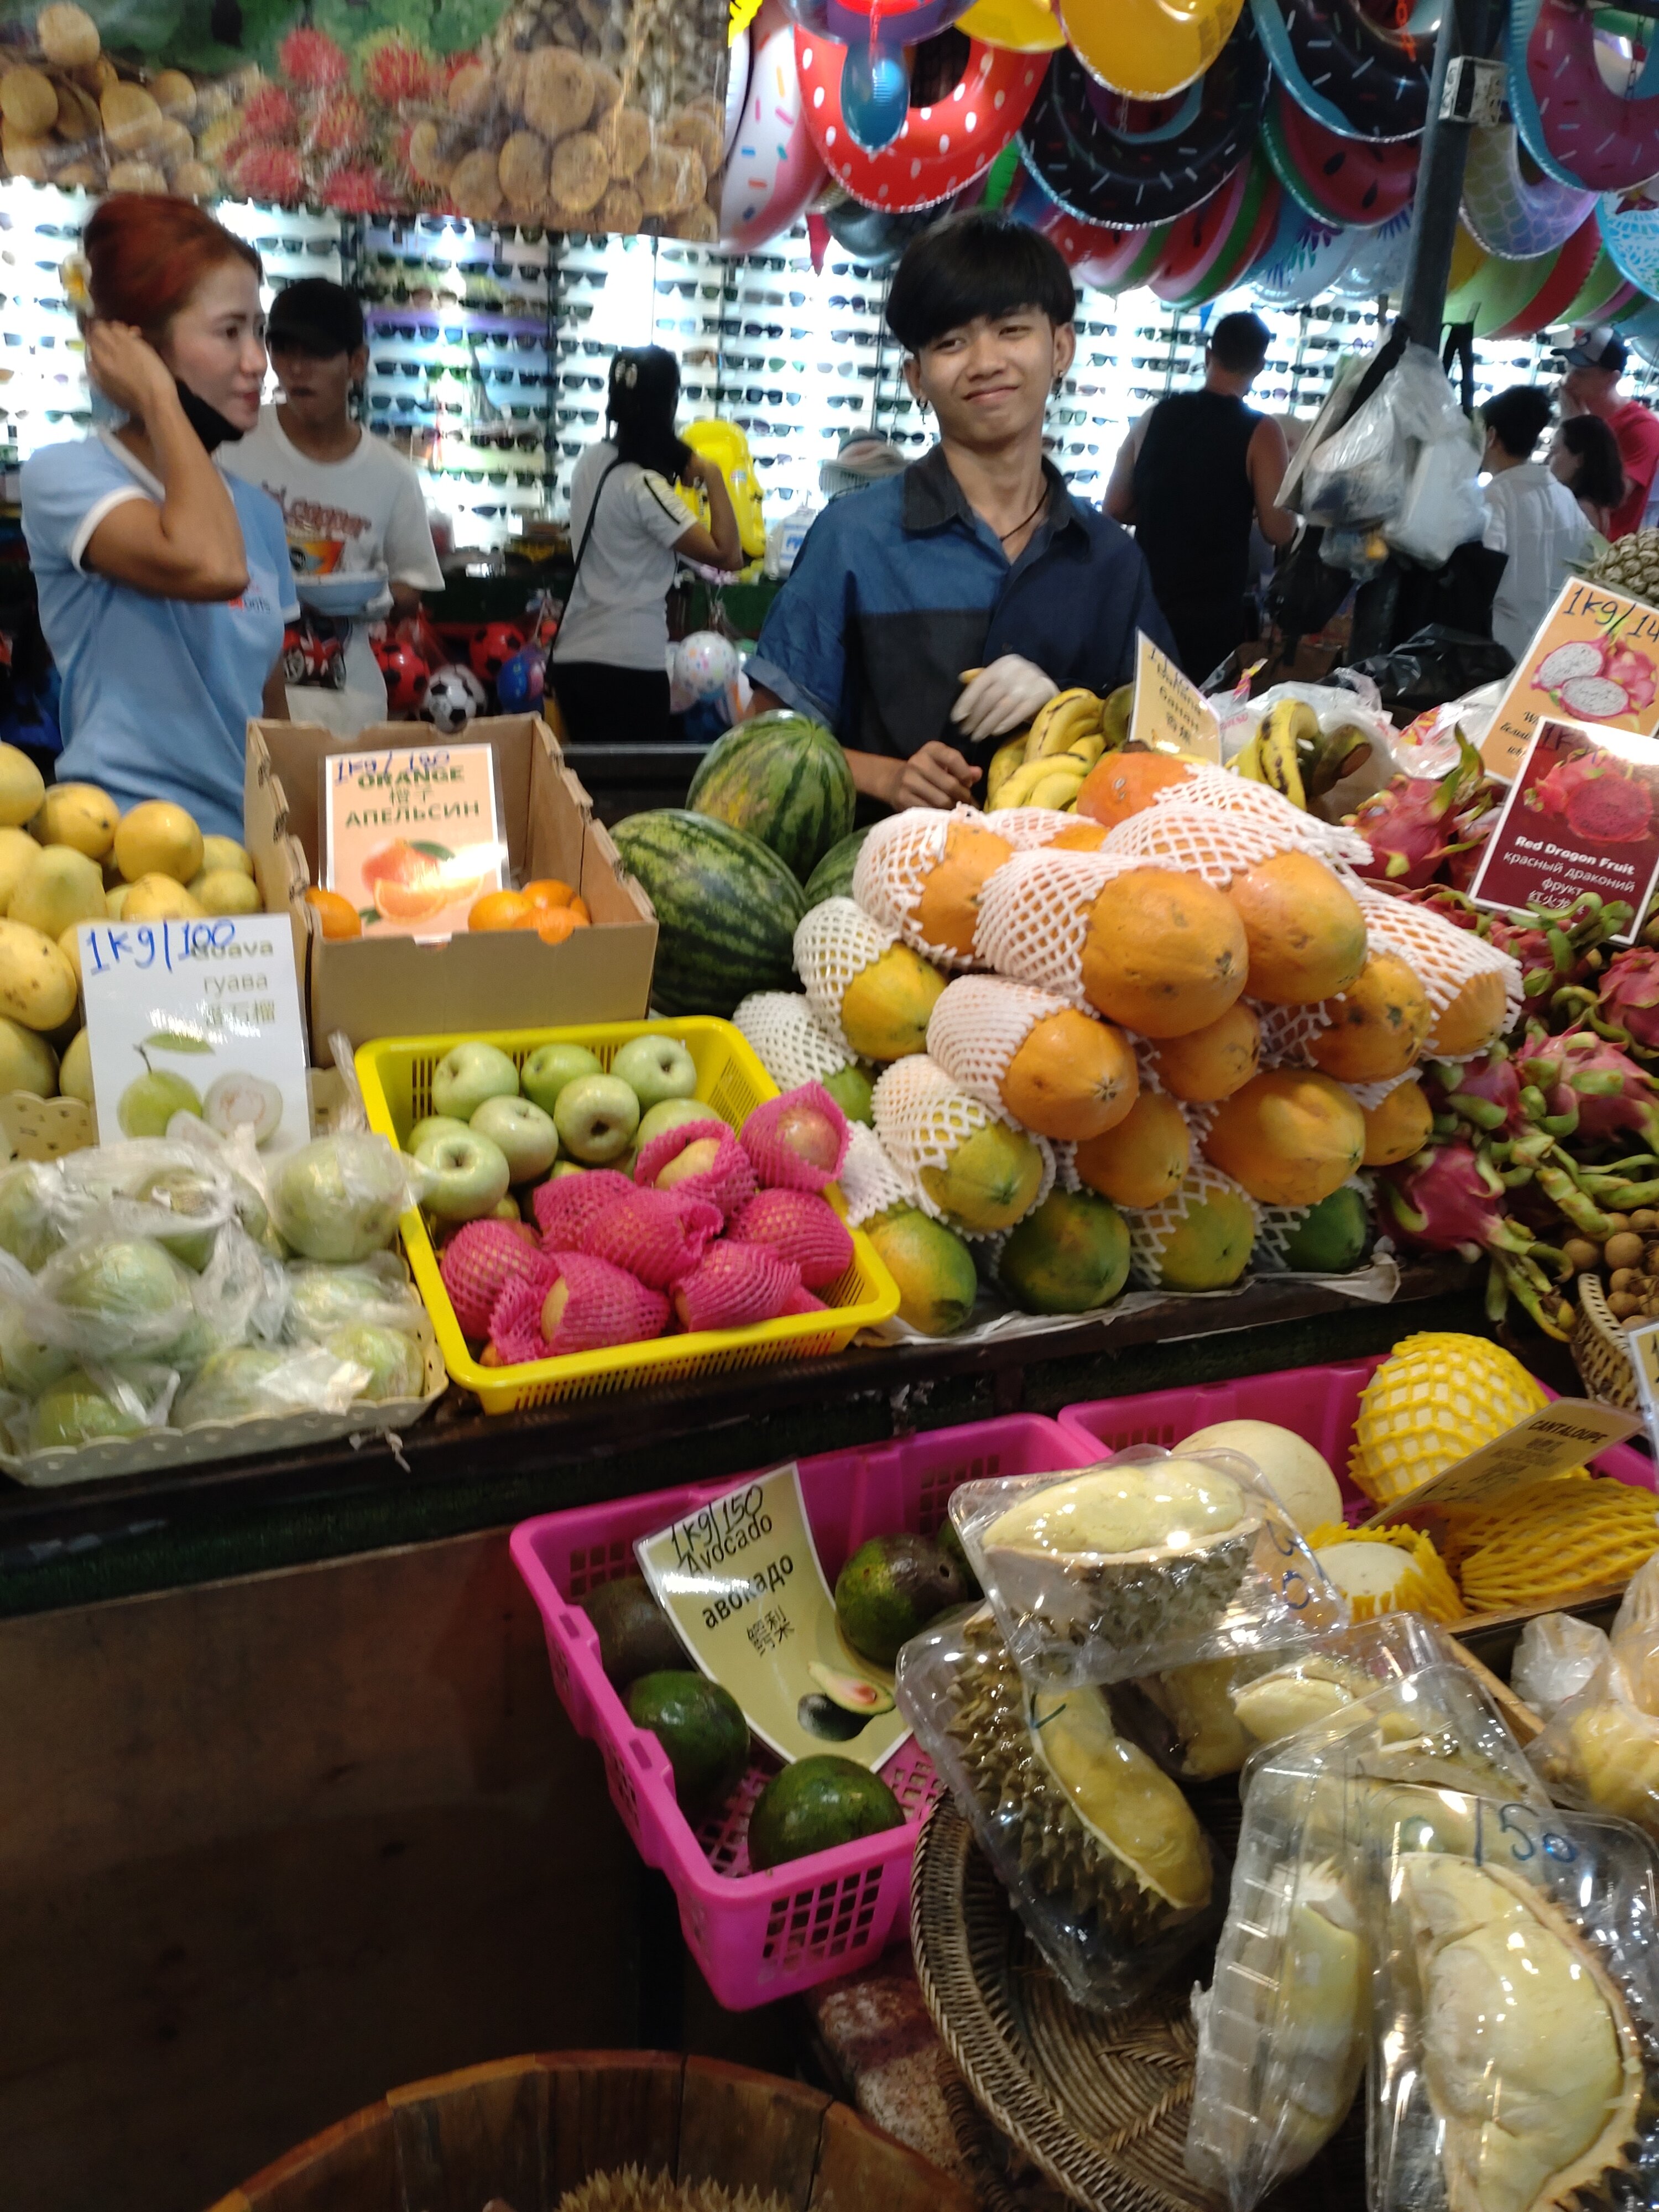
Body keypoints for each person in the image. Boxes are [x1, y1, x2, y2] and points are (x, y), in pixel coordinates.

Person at [747, 215, 1170, 813]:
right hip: (875, 891)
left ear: (1061, 348)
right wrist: (886, 777)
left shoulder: (1110, 562)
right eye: (951, 342)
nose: (985, 360)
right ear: (917, 377)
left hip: (1064, 898)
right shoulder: (855, 539)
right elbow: (760, 742)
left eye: (1011, 329)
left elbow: (1174, 755)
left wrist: (1068, 707)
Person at [21, 195, 295, 843]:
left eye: (259, 331)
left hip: (244, 856)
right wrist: (154, 392)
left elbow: (270, 708)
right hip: (120, 848)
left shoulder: (256, 513)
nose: (258, 361)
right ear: (139, 349)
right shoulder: (67, 478)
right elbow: (210, 565)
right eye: (230, 332)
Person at [220, 278, 444, 719]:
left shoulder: (390, 475)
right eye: (283, 349)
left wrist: (366, 593)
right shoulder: (231, 444)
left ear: (357, 363)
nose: (297, 369)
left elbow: (411, 584)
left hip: (350, 704)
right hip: (240, 700)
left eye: (318, 354)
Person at [549, 347, 741, 746]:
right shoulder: (644, 487)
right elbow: (728, 554)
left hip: (573, 662)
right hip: (628, 669)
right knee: (630, 803)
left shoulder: (591, 460)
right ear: (669, 406)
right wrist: (713, 474)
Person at [1105, 310, 1297, 685]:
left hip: (1144, 605)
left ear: (1209, 355)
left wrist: (1168, 508)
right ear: (1260, 366)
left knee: (1131, 717)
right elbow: (1280, 529)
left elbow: (1115, 505)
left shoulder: (1155, 416)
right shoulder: (1263, 431)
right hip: (1210, 619)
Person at [1479, 385, 1592, 663]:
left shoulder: (1495, 497)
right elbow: (1590, 559)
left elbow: (1480, 578)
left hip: (1499, 645)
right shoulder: (1563, 495)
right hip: (1553, 643)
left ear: (1491, 436)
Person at [1558, 326, 1659, 539]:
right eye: (1569, 369)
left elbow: (1612, 498)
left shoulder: (1641, 427)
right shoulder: (1578, 413)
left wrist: (1578, 429)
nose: (1570, 380)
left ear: (1612, 379)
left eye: (1581, 374)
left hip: (1602, 555)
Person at [1550, 413, 1625, 540]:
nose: (1548, 459)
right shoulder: (1597, 507)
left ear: (1579, 460)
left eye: (1555, 451)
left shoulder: (1580, 510)